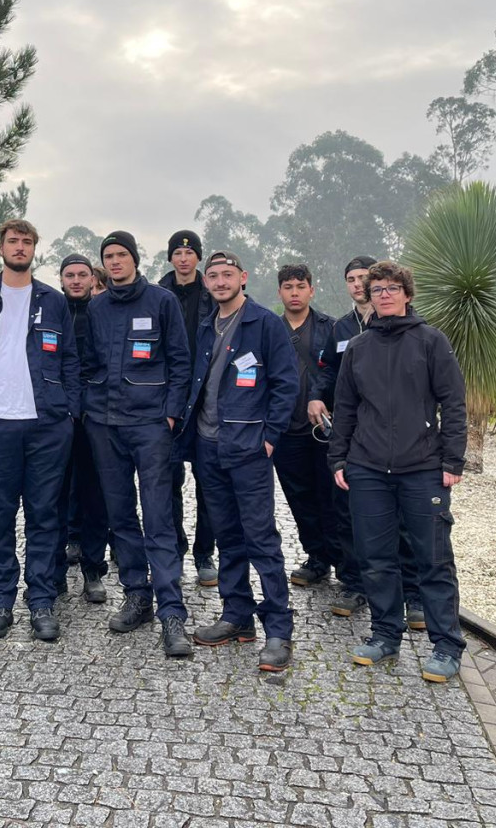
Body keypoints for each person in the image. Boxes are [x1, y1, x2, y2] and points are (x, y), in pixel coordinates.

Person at [329, 260, 468, 683]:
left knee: (433, 558)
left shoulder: (431, 341)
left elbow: (454, 403)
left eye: (392, 288)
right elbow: (345, 408)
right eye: (377, 290)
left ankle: (446, 645)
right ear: (368, 297)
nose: (384, 295)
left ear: (408, 294)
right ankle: (385, 635)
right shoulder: (358, 347)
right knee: (375, 558)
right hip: (368, 468)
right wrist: (338, 459)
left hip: (422, 468)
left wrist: (452, 461)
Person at [0, 218, 79, 642]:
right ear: (0, 246)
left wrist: (70, 414)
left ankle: (41, 601)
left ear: (34, 249)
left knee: (44, 516)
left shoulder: (54, 301)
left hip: (46, 424)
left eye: (26, 242)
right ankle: (1, 600)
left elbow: (71, 360)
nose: (20, 247)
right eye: (13, 241)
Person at [181, 251, 298, 671]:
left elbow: (287, 383)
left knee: (260, 538)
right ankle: (237, 616)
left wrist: (270, 438)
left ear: (243, 277)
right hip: (209, 447)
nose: (219, 281)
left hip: (248, 448)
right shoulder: (205, 324)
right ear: (206, 282)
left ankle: (279, 630)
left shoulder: (263, 323)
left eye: (227, 274)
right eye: (212, 276)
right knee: (227, 536)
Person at [83, 231, 194, 659]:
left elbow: (180, 361)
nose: (114, 262)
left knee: (158, 515)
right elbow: (89, 360)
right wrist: (91, 407)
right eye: (108, 257)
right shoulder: (96, 307)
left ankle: (172, 612)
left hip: (150, 424)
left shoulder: (162, 301)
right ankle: (137, 595)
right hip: (105, 424)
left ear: (134, 259)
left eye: (121, 255)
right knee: (121, 516)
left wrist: (169, 414)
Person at [314, 256, 426, 630]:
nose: (360, 285)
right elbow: (329, 372)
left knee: (404, 522)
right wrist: (316, 397)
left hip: (402, 444)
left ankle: (413, 593)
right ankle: (355, 583)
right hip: (358, 440)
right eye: (353, 279)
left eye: (367, 279)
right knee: (350, 515)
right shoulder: (341, 328)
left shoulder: (410, 328)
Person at [272, 264, 347, 599]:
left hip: (323, 429)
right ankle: (316, 557)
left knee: (330, 497)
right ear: (280, 292)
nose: (295, 293)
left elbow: (338, 374)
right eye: (288, 287)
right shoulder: (270, 328)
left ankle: (342, 561)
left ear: (311, 290)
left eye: (300, 286)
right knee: (298, 498)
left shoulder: (330, 328)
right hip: (285, 429)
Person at [157, 230, 217, 587]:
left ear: (198, 258)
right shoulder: (157, 294)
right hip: (168, 399)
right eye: (177, 253)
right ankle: (175, 548)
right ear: (170, 259)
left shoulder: (213, 294)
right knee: (168, 480)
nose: (183, 258)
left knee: (208, 482)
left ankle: (205, 552)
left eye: (190, 252)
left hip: (207, 396)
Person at [54, 253, 109, 604]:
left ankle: (93, 569)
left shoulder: (103, 313)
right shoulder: (52, 310)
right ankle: (53, 573)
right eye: (69, 275)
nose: (76, 280)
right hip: (56, 416)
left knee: (94, 495)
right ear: (61, 280)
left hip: (94, 415)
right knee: (52, 495)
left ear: (93, 279)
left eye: (82, 275)